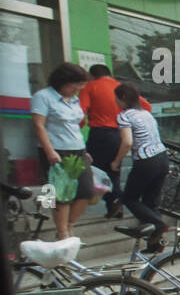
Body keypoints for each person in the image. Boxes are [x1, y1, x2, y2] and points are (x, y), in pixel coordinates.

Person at [30, 62, 94, 240]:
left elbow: (73, 126)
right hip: (57, 150)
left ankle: (69, 225)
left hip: (78, 150)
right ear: (64, 82)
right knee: (61, 195)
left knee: (87, 191)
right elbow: (38, 125)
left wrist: (84, 150)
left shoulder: (73, 100)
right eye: (77, 84)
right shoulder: (43, 97)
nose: (79, 89)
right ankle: (63, 233)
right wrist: (50, 151)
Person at [80, 64, 151, 218]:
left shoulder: (90, 86)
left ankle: (113, 200)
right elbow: (146, 106)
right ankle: (115, 203)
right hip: (119, 135)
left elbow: (81, 112)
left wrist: (79, 127)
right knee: (114, 170)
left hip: (99, 134)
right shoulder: (121, 88)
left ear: (92, 76)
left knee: (94, 170)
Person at [108, 82, 169, 252]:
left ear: (123, 98)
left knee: (130, 198)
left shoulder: (125, 116)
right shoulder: (147, 114)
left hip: (146, 160)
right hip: (162, 158)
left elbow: (127, 142)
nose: (116, 103)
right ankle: (154, 244)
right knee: (150, 203)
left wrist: (116, 162)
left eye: (116, 99)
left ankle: (158, 224)